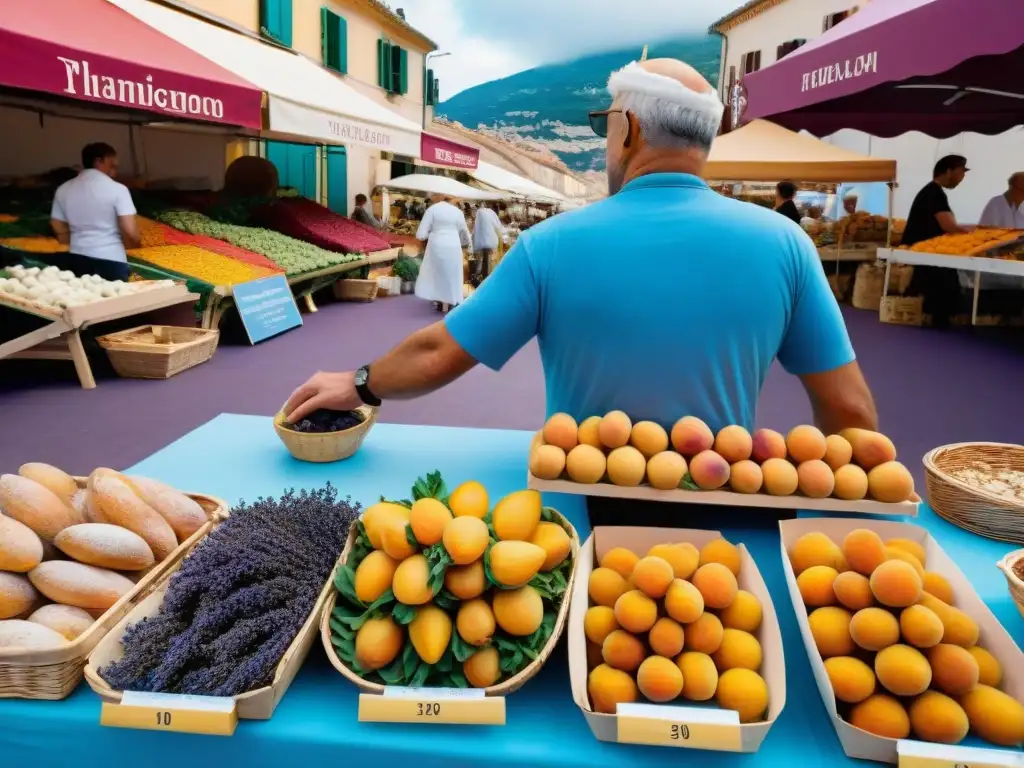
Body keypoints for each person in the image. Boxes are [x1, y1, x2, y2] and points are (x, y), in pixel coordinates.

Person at [284, 58, 877, 529]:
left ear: (629, 130)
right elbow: (850, 411)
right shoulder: (785, 243)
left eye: (604, 125)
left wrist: (359, 383)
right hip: (724, 505)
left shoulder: (552, 243)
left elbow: (439, 353)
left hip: (579, 515)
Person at [49, 142, 139, 281]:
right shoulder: (118, 189)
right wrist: (134, 250)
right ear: (98, 161)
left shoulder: (63, 189)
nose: (115, 171)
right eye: (112, 165)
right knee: (115, 300)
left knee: (85, 299)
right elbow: (130, 231)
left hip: (77, 257)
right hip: (111, 259)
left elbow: (57, 225)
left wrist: (74, 243)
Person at [903, 155, 970, 328]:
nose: (962, 177)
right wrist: (973, 234)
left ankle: (935, 319)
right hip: (927, 253)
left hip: (926, 251)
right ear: (949, 171)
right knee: (942, 286)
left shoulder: (931, 192)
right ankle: (939, 321)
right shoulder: (934, 194)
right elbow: (948, 225)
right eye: (961, 172)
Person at [961, 172, 1024, 293]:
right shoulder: (995, 205)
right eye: (1022, 191)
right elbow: (985, 239)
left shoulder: (1021, 207)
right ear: (1012, 188)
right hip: (995, 264)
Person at [414, 194, 470, 313]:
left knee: (437, 273)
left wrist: (434, 234)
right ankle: (449, 302)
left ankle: (439, 301)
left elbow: (420, 235)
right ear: (453, 198)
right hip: (453, 244)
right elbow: (464, 233)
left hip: (436, 245)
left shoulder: (432, 209)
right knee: (452, 273)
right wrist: (468, 245)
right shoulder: (458, 212)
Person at [471, 201, 505, 286]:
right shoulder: (490, 213)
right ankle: (487, 279)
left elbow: (474, 230)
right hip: (491, 242)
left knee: (480, 261)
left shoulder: (478, 214)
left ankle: (479, 278)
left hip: (480, 243)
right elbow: (498, 226)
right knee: (489, 262)